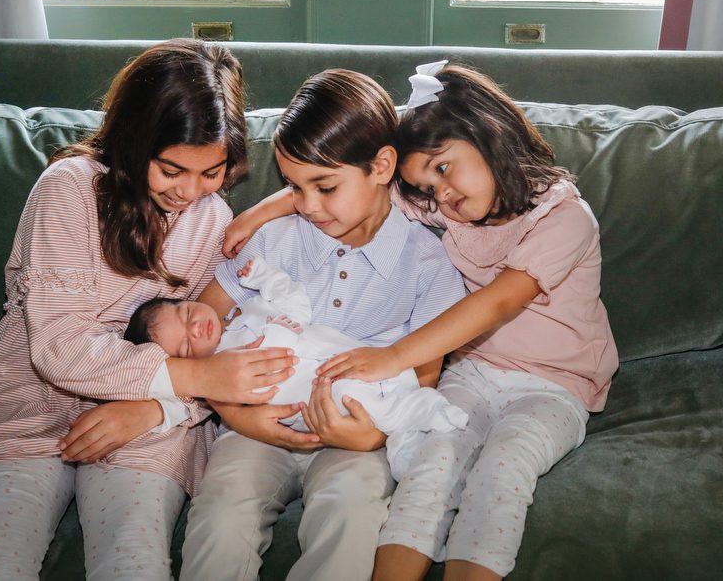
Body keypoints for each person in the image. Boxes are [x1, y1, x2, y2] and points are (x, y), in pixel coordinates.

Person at [234, 60, 619, 580]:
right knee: (431, 465)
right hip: (470, 376)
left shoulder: (564, 218)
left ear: (490, 133)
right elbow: (348, 178)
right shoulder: (452, 206)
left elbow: (499, 302)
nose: (442, 197)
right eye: (429, 188)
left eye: (443, 169)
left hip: (555, 386)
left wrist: (394, 356)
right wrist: (256, 215)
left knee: (501, 471)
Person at [0, 39, 297, 581]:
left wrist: (156, 409)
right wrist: (195, 376)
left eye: (211, 172)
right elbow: (57, 347)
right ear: (134, 141)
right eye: (172, 170)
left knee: (134, 564)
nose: (190, 191)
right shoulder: (70, 189)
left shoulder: (212, 220)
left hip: (157, 416)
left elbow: (210, 342)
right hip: (29, 397)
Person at [178, 69, 467, 581]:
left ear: (382, 166)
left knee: (353, 517)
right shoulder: (274, 241)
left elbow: (422, 381)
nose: (308, 205)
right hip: (254, 428)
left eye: (325, 187)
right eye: (294, 187)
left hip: (353, 437)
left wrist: (371, 439)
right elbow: (195, 331)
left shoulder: (428, 262)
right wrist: (230, 410)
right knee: (221, 517)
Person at [124, 258, 467, 479]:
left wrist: (263, 275)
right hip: (324, 399)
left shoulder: (251, 308)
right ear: (189, 363)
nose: (196, 328)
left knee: (388, 376)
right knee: (355, 399)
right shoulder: (221, 374)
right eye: (186, 345)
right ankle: (417, 426)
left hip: (353, 357)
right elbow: (255, 400)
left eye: (186, 314)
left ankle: (416, 413)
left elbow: (296, 301)